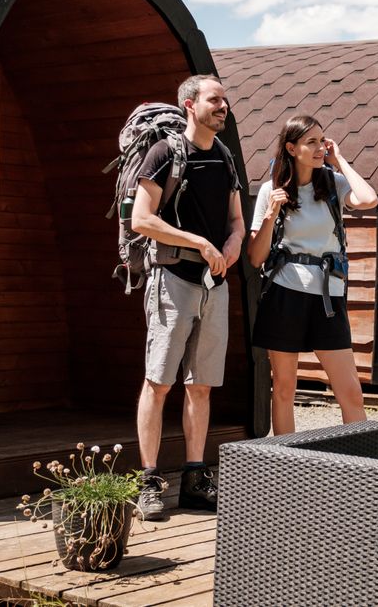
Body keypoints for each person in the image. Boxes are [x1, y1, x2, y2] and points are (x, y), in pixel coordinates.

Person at [130, 74, 244, 520]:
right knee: (158, 383)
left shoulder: (225, 157)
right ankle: (150, 481)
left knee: (200, 387)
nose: (224, 106)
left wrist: (233, 245)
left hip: (215, 285)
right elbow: (142, 218)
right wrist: (199, 243)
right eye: (215, 99)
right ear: (190, 105)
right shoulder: (164, 153)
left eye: (225, 100)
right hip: (173, 279)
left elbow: (236, 220)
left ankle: (195, 480)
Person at [247, 115, 378, 434]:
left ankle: (360, 470)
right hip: (283, 294)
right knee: (283, 390)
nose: (320, 148)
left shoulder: (333, 183)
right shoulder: (271, 190)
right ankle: (287, 469)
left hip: (328, 298)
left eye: (322, 141)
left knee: (349, 390)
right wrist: (270, 214)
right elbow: (255, 257)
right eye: (311, 142)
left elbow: (369, 199)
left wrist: (340, 159)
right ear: (291, 148)